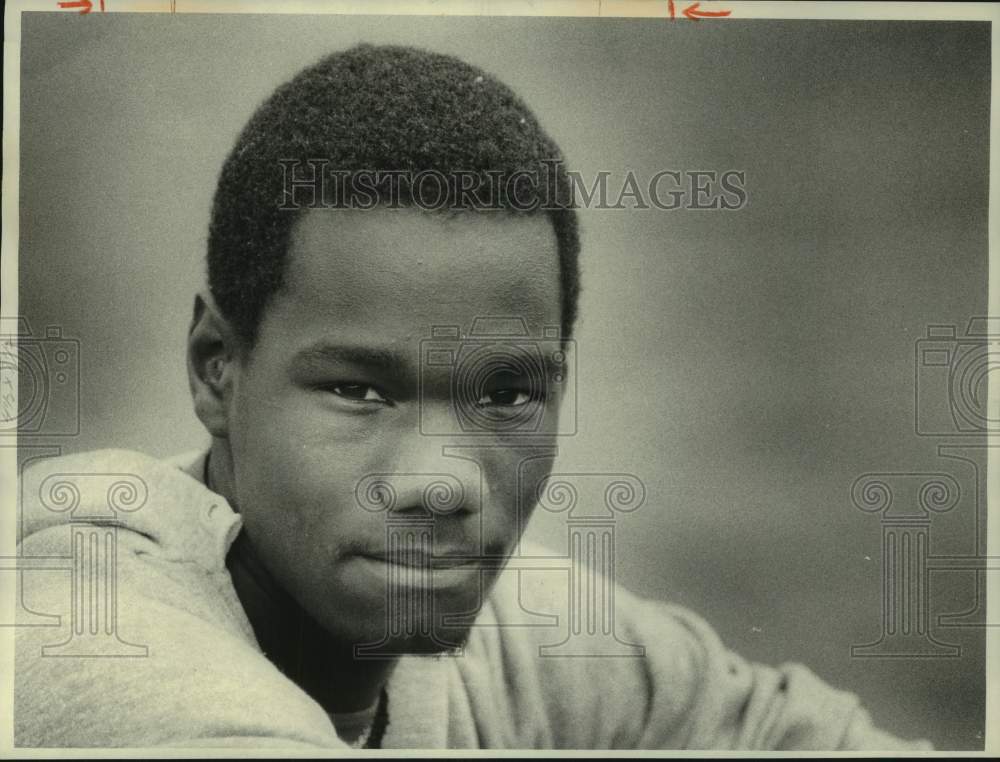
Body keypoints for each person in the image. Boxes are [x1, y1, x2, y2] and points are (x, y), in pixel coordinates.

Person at [15, 43, 929, 750]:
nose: (444, 481)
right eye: (360, 390)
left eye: (506, 395)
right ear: (218, 366)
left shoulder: (527, 647)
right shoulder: (92, 643)